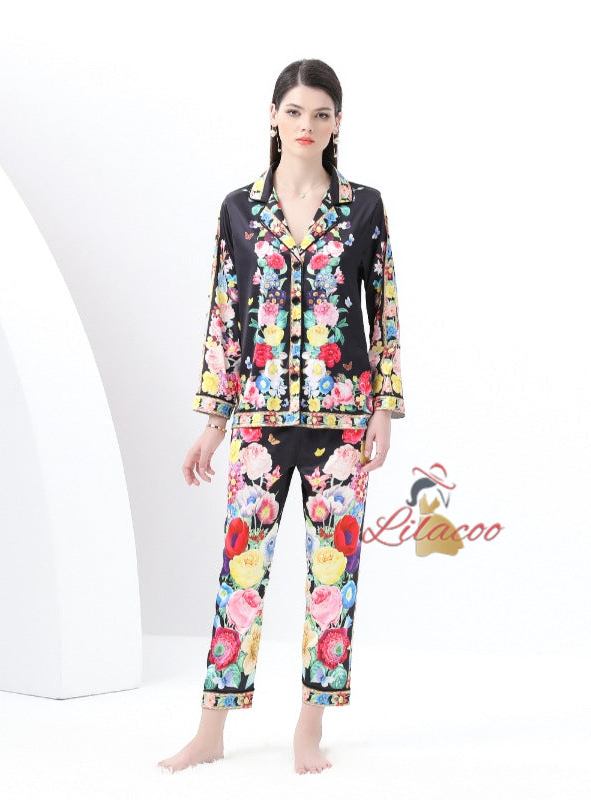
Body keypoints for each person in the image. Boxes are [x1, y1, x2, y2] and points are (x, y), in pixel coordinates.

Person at [158, 58, 405, 776]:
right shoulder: (240, 210)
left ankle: (309, 728)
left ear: (337, 124)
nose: (307, 125)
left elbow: (383, 313)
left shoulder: (364, 208)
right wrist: (213, 422)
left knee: (334, 578)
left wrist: (384, 407)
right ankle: (211, 731)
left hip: (342, 425)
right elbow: (224, 319)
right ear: (273, 116)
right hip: (259, 424)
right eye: (295, 111)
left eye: (321, 114)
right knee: (240, 575)